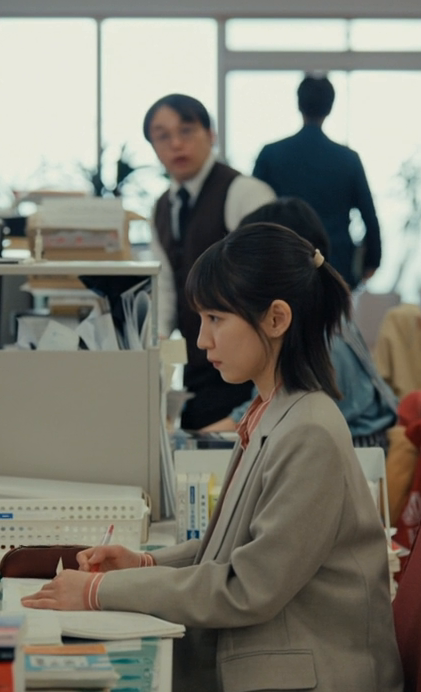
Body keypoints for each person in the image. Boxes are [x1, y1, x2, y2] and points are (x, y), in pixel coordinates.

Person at [22, 223, 405, 692]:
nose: (202, 339)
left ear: (276, 319)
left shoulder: (308, 432)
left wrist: (100, 591)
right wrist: (144, 564)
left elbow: (246, 587)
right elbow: (230, 549)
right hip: (279, 669)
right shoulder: (275, 411)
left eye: (215, 319)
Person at [200, 198, 399, 449]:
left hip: (358, 449)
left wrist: (187, 441)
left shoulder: (324, 342)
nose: (202, 341)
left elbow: (269, 418)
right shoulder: (326, 317)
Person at [144, 94, 276, 431]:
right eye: (162, 136)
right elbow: (166, 285)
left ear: (210, 134)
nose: (176, 144)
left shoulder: (243, 192)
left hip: (246, 367)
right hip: (198, 359)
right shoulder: (162, 207)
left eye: (186, 130)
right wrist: (157, 342)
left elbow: (269, 277)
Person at [253, 74, 381, 289]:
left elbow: (254, 212)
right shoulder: (348, 159)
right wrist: (372, 262)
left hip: (282, 263)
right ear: (330, 107)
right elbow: (369, 215)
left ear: (298, 104)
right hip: (335, 264)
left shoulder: (271, 154)